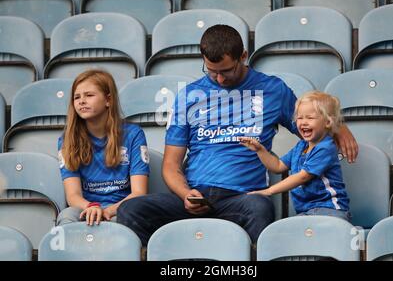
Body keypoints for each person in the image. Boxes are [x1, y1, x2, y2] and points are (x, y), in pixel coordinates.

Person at [117, 25, 358, 245]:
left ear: (243, 57)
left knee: (259, 207)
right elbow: (171, 165)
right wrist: (186, 194)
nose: (220, 79)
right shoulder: (188, 95)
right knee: (131, 210)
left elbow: (313, 121)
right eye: (212, 72)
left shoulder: (273, 89)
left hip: (242, 198)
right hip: (193, 195)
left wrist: (339, 127)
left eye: (226, 71)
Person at [239, 91, 350, 221]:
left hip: (329, 210)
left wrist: (269, 191)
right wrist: (260, 150)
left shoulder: (326, 147)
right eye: (299, 117)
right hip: (307, 211)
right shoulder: (301, 146)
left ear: (328, 122)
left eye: (310, 118)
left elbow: (303, 176)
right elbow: (278, 166)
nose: (303, 122)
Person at [57, 69, 150, 226]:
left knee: (125, 219)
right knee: (67, 217)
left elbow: (139, 192)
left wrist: (106, 211)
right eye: (77, 97)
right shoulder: (67, 140)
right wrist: (92, 207)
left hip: (121, 208)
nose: (81, 101)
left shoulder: (133, 134)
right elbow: (73, 195)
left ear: (108, 100)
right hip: (85, 208)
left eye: (89, 95)